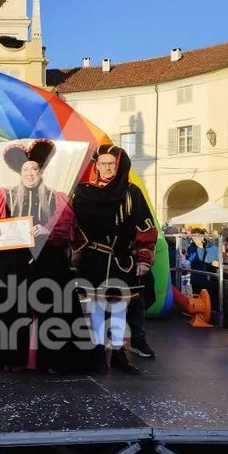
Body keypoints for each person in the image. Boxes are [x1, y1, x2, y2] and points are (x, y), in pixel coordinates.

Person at [0, 139, 95, 373]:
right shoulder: (6, 195)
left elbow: (66, 227)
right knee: (14, 306)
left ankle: (54, 361)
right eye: (25, 169)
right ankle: (14, 359)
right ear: (19, 172)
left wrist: (47, 230)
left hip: (48, 260)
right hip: (15, 262)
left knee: (54, 304)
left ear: (40, 171)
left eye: (34, 169)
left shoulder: (58, 197)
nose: (30, 173)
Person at [73, 144, 157, 372]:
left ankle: (119, 353)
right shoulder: (83, 193)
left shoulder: (132, 193)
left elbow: (145, 227)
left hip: (121, 260)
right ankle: (100, 353)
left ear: (119, 165)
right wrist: (75, 251)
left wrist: (143, 257)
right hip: (93, 258)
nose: (106, 168)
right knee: (96, 308)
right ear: (96, 166)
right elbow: (73, 224)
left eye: (111, 163)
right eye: (102, 164)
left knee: (121, 308)